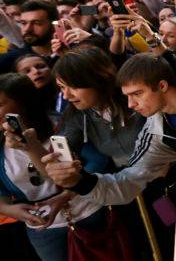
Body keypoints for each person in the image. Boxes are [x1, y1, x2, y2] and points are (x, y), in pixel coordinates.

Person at [43, 53, 176, 207]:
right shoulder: (155, 134)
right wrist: (79, 182)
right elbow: (128, 181)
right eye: (126, 96)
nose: (131, 104)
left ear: (162, 86)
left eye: (137, 94)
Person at [0, 73, 104, 261]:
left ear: (23, 103)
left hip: (89, 212)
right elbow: (2, 196)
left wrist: (66, 195)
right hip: (43, 229)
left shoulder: (63, 125)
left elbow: (98, 162)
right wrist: (11, 210)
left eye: (0, 105)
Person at [0, 0, 58, 73]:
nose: (27, 29)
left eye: (36, 23)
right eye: (23, 23)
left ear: (53, 25)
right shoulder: (9, 60)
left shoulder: (71, 52)